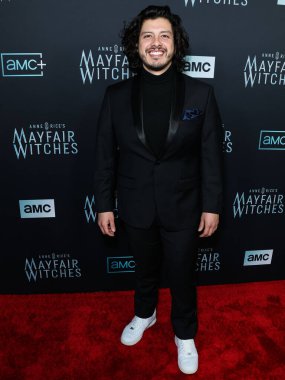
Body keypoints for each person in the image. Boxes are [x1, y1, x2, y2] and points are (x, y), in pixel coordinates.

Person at [94, 5, 223, 375]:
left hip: (184, 204)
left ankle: (184, 334)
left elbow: (211, 155)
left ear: (175, 44)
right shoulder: (115, 95)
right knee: (144, 270)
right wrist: (104, 204)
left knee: (183, 274)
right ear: (136, 45)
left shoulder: (201, 94)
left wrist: (211, 205)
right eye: (147, 35)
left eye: (164, 35)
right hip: (134, 204)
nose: (156, 43)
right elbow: (104, 155)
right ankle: (145, 314)